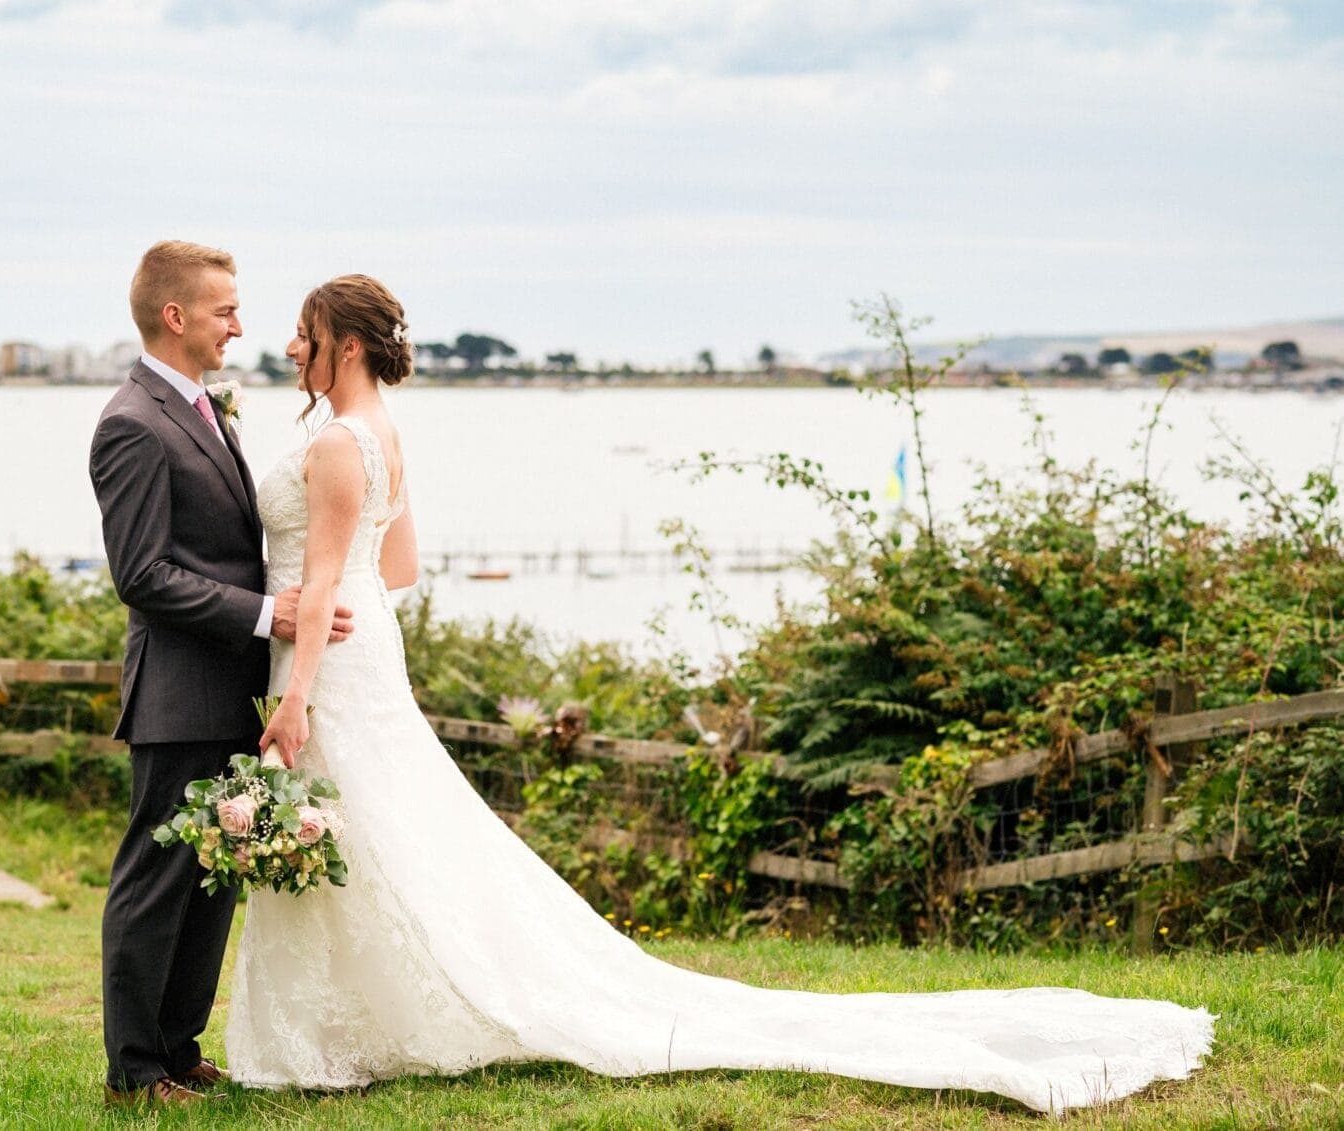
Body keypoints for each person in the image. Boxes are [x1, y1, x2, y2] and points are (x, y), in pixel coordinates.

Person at [225, 273, 1215, 1114]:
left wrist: (297, 685)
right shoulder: (381, 435)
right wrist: (324, 598)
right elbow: (392, 569)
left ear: (344, 344)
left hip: (328, 655)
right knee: (384, 830)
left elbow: (327, 581)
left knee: (363, 826)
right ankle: (375, 1010)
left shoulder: (329, 444)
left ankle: (347, 1025)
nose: (288, 347)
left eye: (303, 337)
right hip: (367, 639)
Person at [87, 240, 354, 1107]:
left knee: (213, 878)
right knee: (155, 881)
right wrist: (267, 615)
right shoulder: (131, 422)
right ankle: (133, 1072)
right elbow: (143, 573)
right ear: (177, 316)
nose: (240, 325)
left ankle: (178, 1046)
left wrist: (292, 620)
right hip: (174, 693)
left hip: (228, 688)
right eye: (225, 310)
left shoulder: (207, 412)